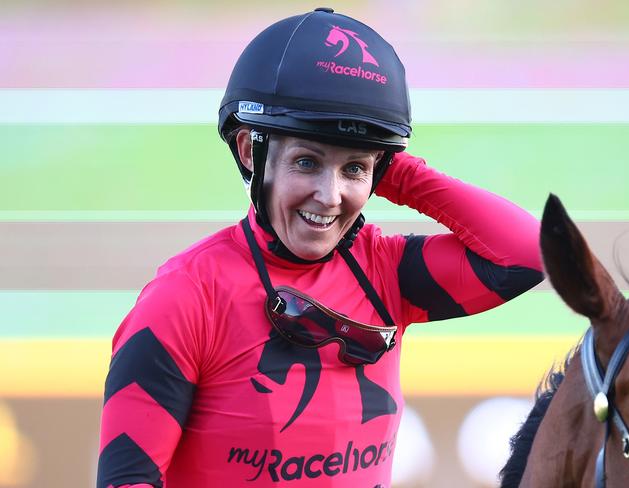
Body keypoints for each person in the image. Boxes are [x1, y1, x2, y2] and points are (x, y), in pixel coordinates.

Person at [97, 7, 543, 488]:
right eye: (307, 162)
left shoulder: (386, 271)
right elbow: (126, 480)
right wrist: (361, 154)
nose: (330, 197)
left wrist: (391, 167)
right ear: (250, 151)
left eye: (353, 170)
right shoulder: (183, 298)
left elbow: (525, 256)